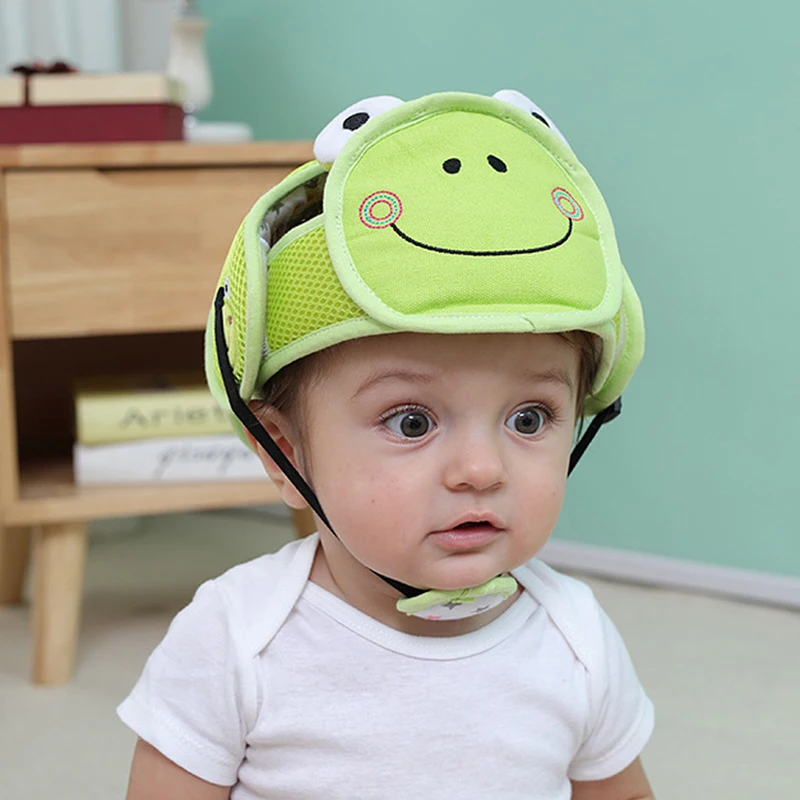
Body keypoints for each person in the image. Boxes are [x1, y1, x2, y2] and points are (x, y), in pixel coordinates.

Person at [118, 89, 655, 799]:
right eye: (411, 422)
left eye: (529, 419)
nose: (480, 470)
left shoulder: (576, 638)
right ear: (283, 451)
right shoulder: (235, 640)